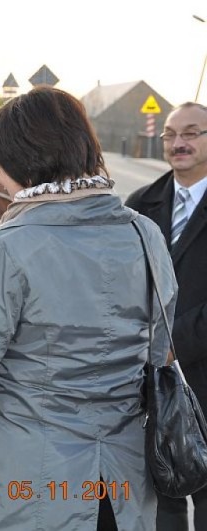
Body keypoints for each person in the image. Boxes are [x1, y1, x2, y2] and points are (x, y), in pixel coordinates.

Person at [0, 86, 177, 530]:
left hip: (30, 475)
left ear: (24, 162)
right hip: (121, 476)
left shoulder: (9, 245)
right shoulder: (144, 233)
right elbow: (159, 351)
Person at [125, 101, 207, 530]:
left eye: (191, 133)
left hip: (202, 374)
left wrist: (172, 343)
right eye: (170, 134)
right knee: (162, 502)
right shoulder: (140, 204)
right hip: (152, 385)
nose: (179, 143)